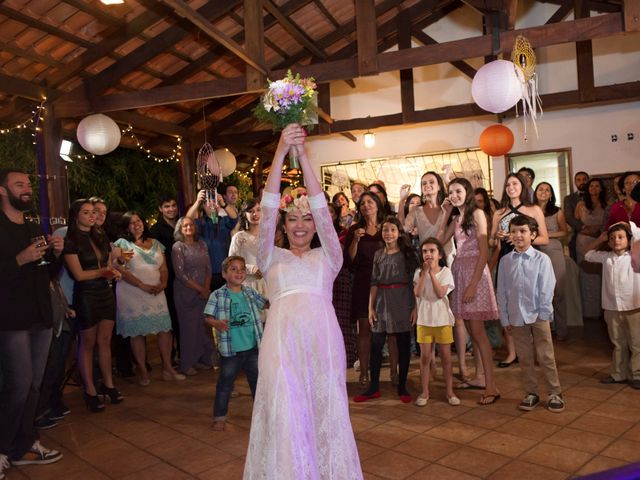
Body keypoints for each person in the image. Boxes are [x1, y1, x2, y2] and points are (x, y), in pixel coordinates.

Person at [243, 124, 362, 479]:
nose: (300, 225)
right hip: (280, 345)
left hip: (322, 345)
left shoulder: (330, 257)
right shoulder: (269, 256)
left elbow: (324, 211)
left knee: (324, 410)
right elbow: (265, 212)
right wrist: (279, 152)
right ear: (284, 223)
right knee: (284, 413)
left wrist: (305, 157)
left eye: (306, 219)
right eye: (292, 219)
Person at [0, 168, 64, 475]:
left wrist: (56, 255)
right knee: (17, 386)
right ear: (2, 191)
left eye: (28, 184)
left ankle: (24, 444)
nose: (27, 188)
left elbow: (45, 270)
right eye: (19, 184)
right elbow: (16, 265)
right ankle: (2, 448)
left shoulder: (32, 225)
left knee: (34, 386)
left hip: (41, 315)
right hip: (11, 318)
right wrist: (18, 260)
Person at [438, 177, 500, 405]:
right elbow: (437, 241)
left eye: (458, 191)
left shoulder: (478, 214)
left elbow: (484, 251)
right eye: (450, 192)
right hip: (460, 272)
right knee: (474, 333)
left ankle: (491, 386)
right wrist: (445, 214)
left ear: (467, 192)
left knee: (479, 333)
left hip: (475, 273)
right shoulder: (456, 218)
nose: (454, 195)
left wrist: (474, 284)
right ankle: (484, 379)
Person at [497, 215, 565, 412]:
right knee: (525, 357)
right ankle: (531, 392)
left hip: (538, 315)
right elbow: (501, 290)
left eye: (523, 231)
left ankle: (555, 392)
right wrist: (505, 317)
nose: (518, 235)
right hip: (516, 316)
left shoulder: (542, 259)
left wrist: (544, 313)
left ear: (533, 234)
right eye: (514, 231)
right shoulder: (506, 261)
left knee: (546, 356)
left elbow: (547, 287)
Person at [63, 199, 121, 412]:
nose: (91, 216)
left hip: (105, 292)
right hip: (86, 294)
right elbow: (78, 275)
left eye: (93, 212)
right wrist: (102, 273)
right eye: (86, 212)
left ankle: (109, 384)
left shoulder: (100, 235)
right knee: (87, 343)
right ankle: (90, 391)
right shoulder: (71, 240)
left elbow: (106, 263)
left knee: (105, 341)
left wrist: (112, 271)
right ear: (76, 215)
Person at [114, 212, 185, 386]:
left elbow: (163, 268)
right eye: (131, 223)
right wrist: (141, 285)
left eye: (138, 220)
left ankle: (168, 368)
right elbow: (119, 269)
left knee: (164, 330)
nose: (136, 225)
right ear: (125, 227)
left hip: (156, 291)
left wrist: (163, 283)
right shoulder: (121, 244)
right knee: (137, 332)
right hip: (132, 292)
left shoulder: (155, 243)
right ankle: (143, 371)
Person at [353, 216, 417, 404]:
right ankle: (373, 387)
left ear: (399, 233)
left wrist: (414, 307)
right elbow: (374, 281)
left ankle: (402, 386)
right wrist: (370, 307)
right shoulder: (378, 254)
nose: (388, 234)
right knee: (376, 346)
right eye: (385, 230)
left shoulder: (407, 254)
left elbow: (414, 282)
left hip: (402, 300)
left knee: (403, 345)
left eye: (392, 230)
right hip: (381, 301)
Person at [489, 173, 549, 369]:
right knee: (507, 303)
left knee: (532, 303)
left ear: (522, 186)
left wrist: (520, 238)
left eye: (514, 183)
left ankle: (538, 352)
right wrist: (497, 237)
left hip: (530, 262)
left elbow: (544, 239)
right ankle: (512, 352)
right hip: (507, 261)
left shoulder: (533, 210)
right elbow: (490, 241)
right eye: (507, 184)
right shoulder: (499, 213)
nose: (511, 187)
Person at [204, 256, 268, 431]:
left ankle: (262, 416)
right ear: (224, 274)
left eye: (241, 269)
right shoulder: (217, 295)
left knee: (257, 383)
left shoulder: (250, 293)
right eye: (233, 269)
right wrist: (216, 323)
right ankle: (219, 417)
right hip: (230, 351)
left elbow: (266, 304)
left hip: (252, 348)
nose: (239, 272)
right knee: (225, 384)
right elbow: (207, 317)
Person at [585, 222, 640, 389]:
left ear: (629, 240)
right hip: (611, 308)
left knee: (636, 343)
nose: (616, 240)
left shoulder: (635, 256)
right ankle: (618, 374)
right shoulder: (605, 257)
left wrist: (627, 225)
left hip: (633, 307)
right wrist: (600, 238)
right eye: (613, 238)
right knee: (617, 342)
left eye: (621, 237)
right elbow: (587, 253)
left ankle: (637, 374)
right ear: (608, 242)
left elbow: (638, 236)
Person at [413, 238, 459, 407]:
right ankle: (425, 391)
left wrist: (431, 273)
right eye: (425, 251)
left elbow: (440, 293)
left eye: (432, 251)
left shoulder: (446, 272)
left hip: (442, 319)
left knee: (446, 357)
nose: (428, 254)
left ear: (439, 254)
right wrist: (424, 273)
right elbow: (417, 293)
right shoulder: (419, 272)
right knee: (425, 357)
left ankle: (449, 391)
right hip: (424, 319)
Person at [344, 191, 384, 385]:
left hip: (385, 283)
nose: (366, 205)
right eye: (362, 203)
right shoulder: (355, 230)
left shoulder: (387, 227)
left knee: (389, 329)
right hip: (363, 282)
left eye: (370, 202)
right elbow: (349, 261)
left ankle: (394, 371)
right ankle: (364, 372)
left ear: (378, 204)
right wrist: (355, 241)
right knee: (364, 330)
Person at [172, 216, 213, 376]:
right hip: (186, 293)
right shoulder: (178, 247)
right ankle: (187, 363)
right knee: (189, 328)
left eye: (191, 225)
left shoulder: (202, 244)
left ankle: (202, 359)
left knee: (203, 327)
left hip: (203, 291)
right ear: (180, 229)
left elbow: (208, 268)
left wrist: (206, 287)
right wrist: (200, 289)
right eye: (185, 226)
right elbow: (180, 274)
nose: (188, 228)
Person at [535, 182, 569, 340]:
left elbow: (564, 232)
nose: (543, 192)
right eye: (540, 189)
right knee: (540, 292)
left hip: (553, 250)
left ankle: (561, 330)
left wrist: (547, 236)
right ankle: (544, 330)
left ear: (551, 195)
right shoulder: (530, 211)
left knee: (558, 291)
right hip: (535, 251)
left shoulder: (557, 212)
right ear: (535, 192)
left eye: (547, 190)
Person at [150, 193, 180, 363]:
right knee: (170, 318)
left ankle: (185, 353)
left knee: (181, 317)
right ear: (160, 209)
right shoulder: (155, 230)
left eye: (173, 205)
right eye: (167, 206)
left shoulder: (182, 225)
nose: (171, 209)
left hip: (183, 278)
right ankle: (170, 357)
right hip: (167, 278)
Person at [187, 189, 238, 291]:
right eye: (208, 202)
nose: (212, 204)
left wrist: (223, 204)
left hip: (225, 271)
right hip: (206, 273)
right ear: (204, 206)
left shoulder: (224, 221)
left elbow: (234, 217)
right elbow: (187, 220)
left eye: (215, 202)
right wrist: (197, 202)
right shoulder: (200, 223)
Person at [575, 178, 608, 319]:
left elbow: (608, 224)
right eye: (591, 186)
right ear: (588, 189)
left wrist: (597, 231)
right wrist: (584, 229)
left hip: (600, 241)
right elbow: (575, 223)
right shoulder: (581, 205)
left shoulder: (607, 205)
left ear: (601, 188)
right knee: (585, 275)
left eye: (597, 186)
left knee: (599, 276)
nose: (594, 188)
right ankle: (588, 312)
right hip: (583, 242)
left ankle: (601, 311)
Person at [228, 199, 267, 298]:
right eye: (251, 211)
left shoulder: (269, 236)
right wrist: (251, 268)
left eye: (258, 210)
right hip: (247, 283)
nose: (255, 214)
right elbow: (231, 262)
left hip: (267, 283)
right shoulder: (239, 237)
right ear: (245, 214)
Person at [563, 171, 589, 261]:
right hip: (576, 234)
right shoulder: (568, 198)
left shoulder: (596, 196)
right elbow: (568, 217)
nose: (582, 182)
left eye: (584, 179)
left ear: (588, 180)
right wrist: (583, 228)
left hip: (595, 235)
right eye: (578, 180)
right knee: (577, 261)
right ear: (575, 182)